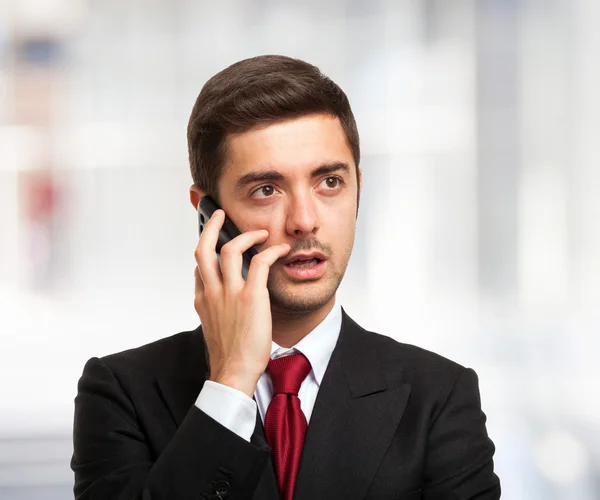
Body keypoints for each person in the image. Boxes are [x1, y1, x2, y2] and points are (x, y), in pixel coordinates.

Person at [71, 55, 501, 500]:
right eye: (266, 190)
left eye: (330, 182)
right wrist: (230, 382)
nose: (304, 220)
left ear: (358, 190)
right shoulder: (120, 393)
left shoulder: (439, 397)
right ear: (208, 215)